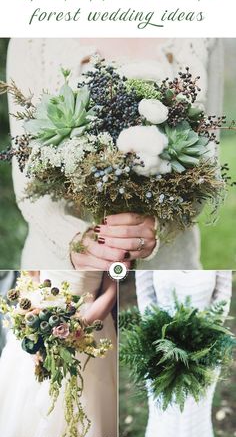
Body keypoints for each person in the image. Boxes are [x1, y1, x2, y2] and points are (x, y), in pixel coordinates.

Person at [7, 38, 223, 270]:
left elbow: (207, 159)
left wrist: (157, 229)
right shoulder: (33, 39)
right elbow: (26, 171)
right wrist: (72, 240)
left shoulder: (201, 35)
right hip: (61, 274)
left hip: (167, 272)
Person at [0, 270, 117, 437]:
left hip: (88, 319)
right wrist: (29, 323)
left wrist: (77, 329)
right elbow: (31, 276)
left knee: (82, 399)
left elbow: (111, 290)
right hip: (39, 313)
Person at [135, 269, 232, 437]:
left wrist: (202, 336)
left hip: (204, 351)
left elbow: (223, 297)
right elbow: (146, 296)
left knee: (197, 415)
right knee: (164, 414)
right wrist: (164, 341)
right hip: (161, 352)